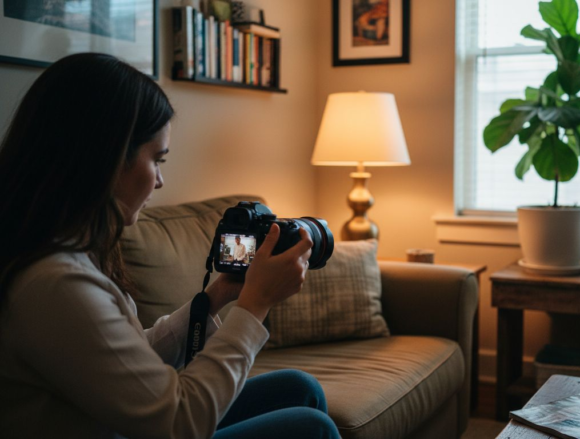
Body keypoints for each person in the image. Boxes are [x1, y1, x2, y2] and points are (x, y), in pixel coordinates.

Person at [0, 53, 341, 439]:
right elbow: (178, 422)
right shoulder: (55, 284)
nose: (160, 181)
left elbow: (126, 363)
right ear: (108, 159)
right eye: (157, 160)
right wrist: (254, 305)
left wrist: (218, 296)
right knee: (311, 428)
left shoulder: (66, 251)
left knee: (300, 389)